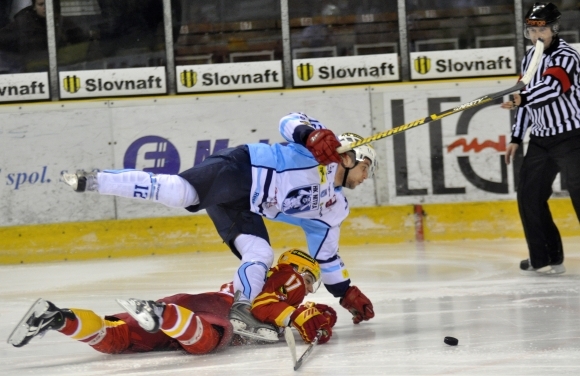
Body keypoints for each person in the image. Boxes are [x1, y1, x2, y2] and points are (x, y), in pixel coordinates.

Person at [61, 112, 377, 342]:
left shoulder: (333, 208)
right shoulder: (324, 142)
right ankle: (94, 180)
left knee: (260, 252)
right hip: (243, 168)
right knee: (181, 193)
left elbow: (328, 255)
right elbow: (289, 121)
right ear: (353, 157)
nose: (366, 178)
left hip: (245, 206)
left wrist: (346, 293)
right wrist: (310, 136)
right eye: (366, 168)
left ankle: (242, 309)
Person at [8, 249, 337, 352]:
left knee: (117, 338)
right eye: (310, 280)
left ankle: (57, 318)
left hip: (191, 304)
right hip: (214, 309)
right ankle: (163, 315)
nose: (307, 289)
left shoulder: (262, 277)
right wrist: (297, 317)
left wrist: (310, 316)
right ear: (299, 271)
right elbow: (265, 307)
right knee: (208, 341)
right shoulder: (287, 277)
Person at [501, 2, 580, 275]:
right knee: (529, 197)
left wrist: (522, 98)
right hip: (541, 140)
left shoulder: (567, 56)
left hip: (573, 137)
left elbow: (553, 88)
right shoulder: (528, 59)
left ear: (554, 29)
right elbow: (524, 102)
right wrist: (515, 137)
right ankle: (546, 257)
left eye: (543, 30)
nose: (537, 37)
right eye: (532, 31)